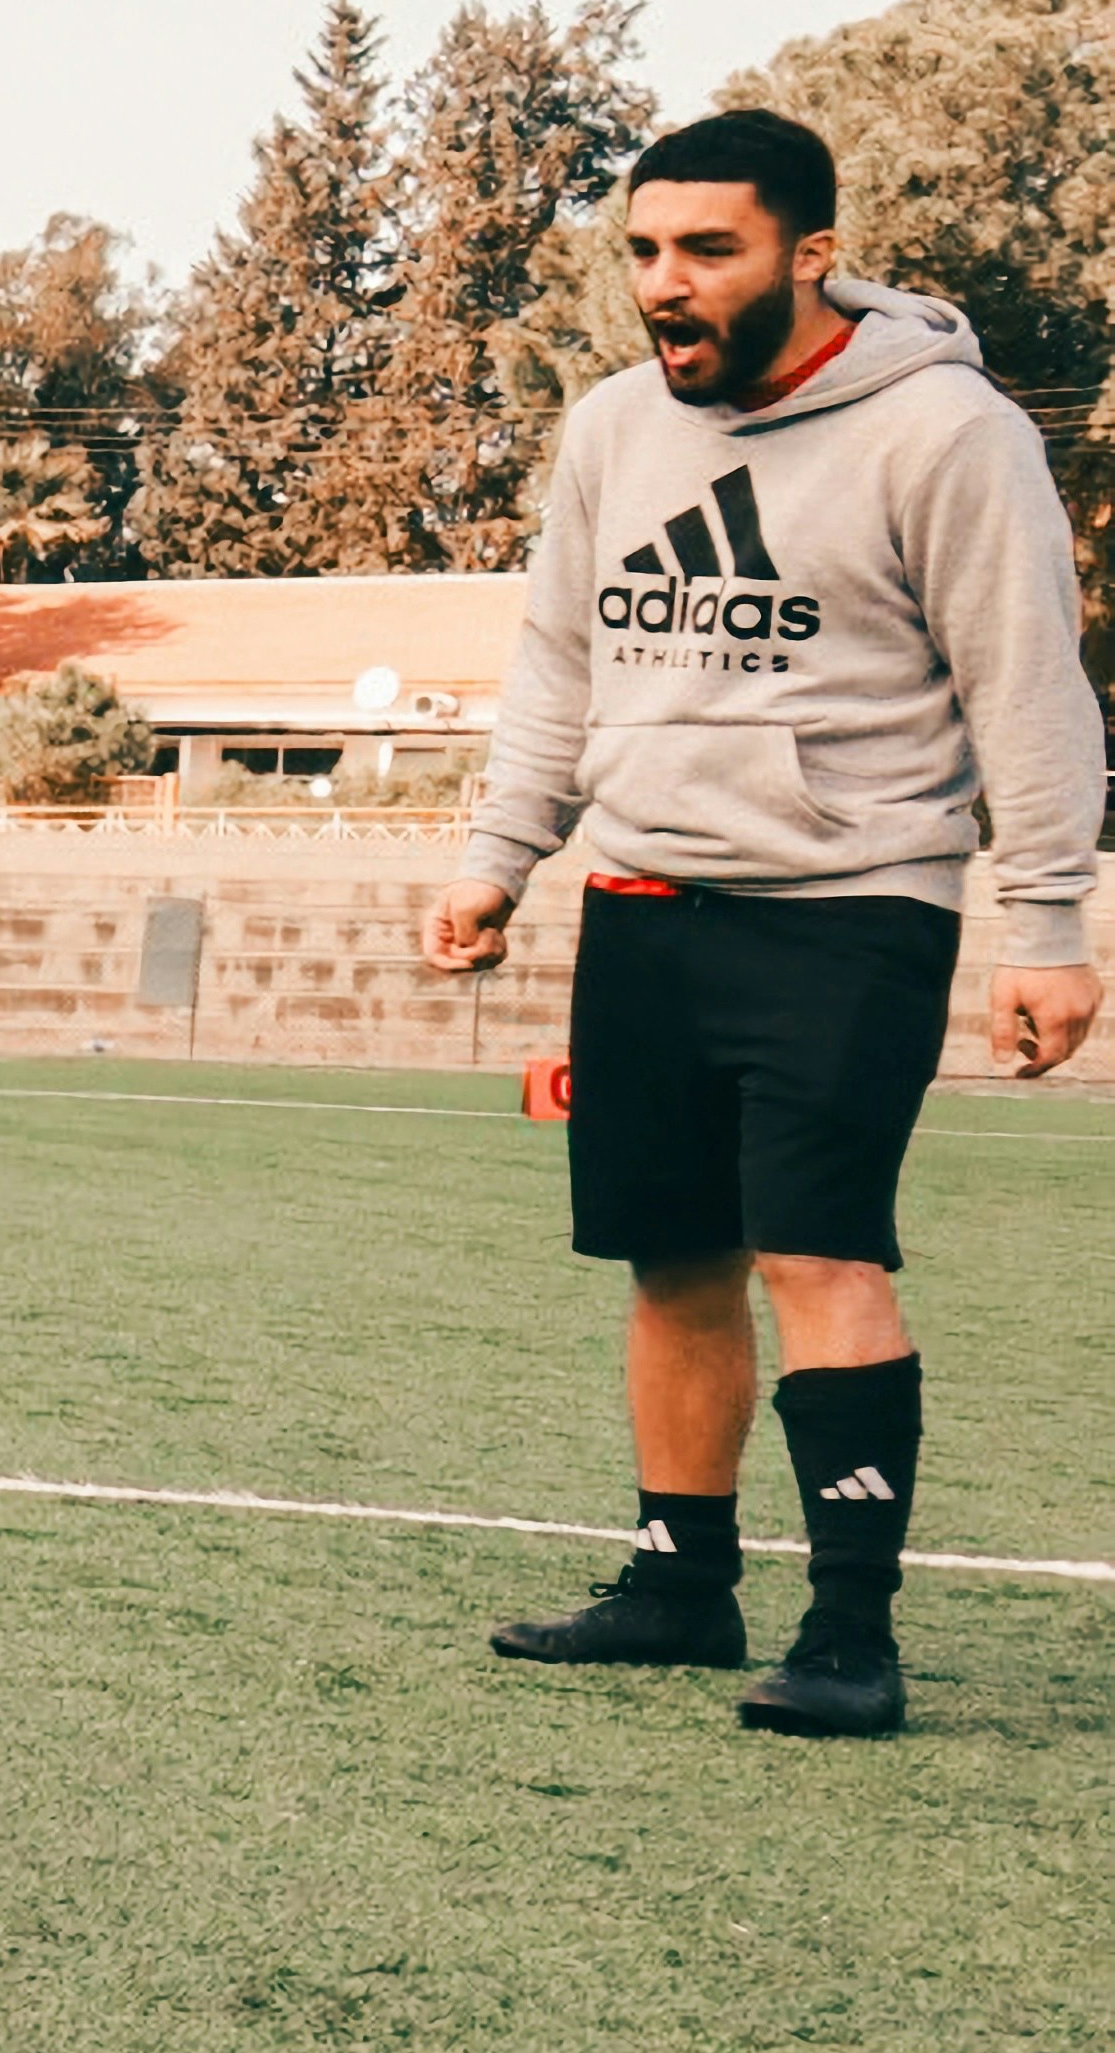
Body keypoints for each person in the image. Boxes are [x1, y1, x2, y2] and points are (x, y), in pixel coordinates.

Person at [430, 107, 1098, 1737]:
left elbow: (1028, 686)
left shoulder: (945, 433)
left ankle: (852, 1632)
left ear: (809, 255)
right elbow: (559, 669)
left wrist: (1051, 921)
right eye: (645, 250)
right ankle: (679, 1583)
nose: (667, 282)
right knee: (673, 1260)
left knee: (821, 1249)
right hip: (648, 902)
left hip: (850, 908)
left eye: (708, 250)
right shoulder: (610, 430)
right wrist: (497, 853)